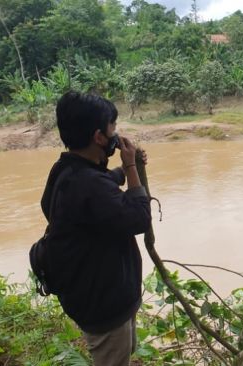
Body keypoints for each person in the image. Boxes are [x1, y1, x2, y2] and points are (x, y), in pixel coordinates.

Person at [40, 91, 152, 365]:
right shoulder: (90, 185)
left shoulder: (65, 169)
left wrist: (123, 173)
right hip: (104, 305)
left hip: (92, 294)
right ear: (99, 137)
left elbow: (91, 191)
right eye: (113, 126)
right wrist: (130, 167)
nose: (117, 133)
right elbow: (139, 218)